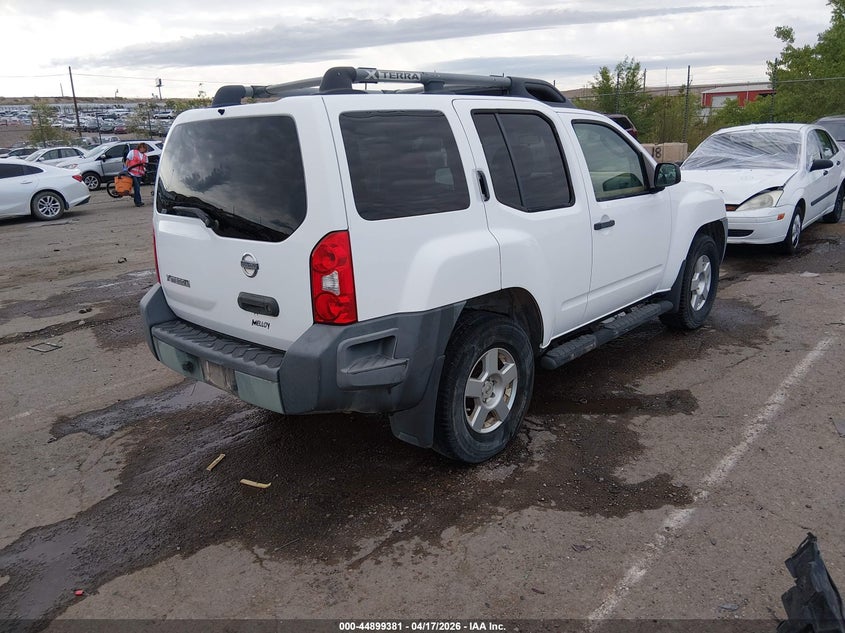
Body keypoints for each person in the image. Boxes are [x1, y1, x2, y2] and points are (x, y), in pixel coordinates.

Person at [124, 143, 149, 207]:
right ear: (139, 147)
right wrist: (125, 169)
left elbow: (145, 166)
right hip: (132, 173)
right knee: (137, 188)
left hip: (139, 174)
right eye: (141, 147)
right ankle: (138, 202)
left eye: (144, 148)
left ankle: (136, 200)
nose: (142, 149)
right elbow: (127, 160)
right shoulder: (132, 152)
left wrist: (145, 170)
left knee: (137, 188)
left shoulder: (145, 156)